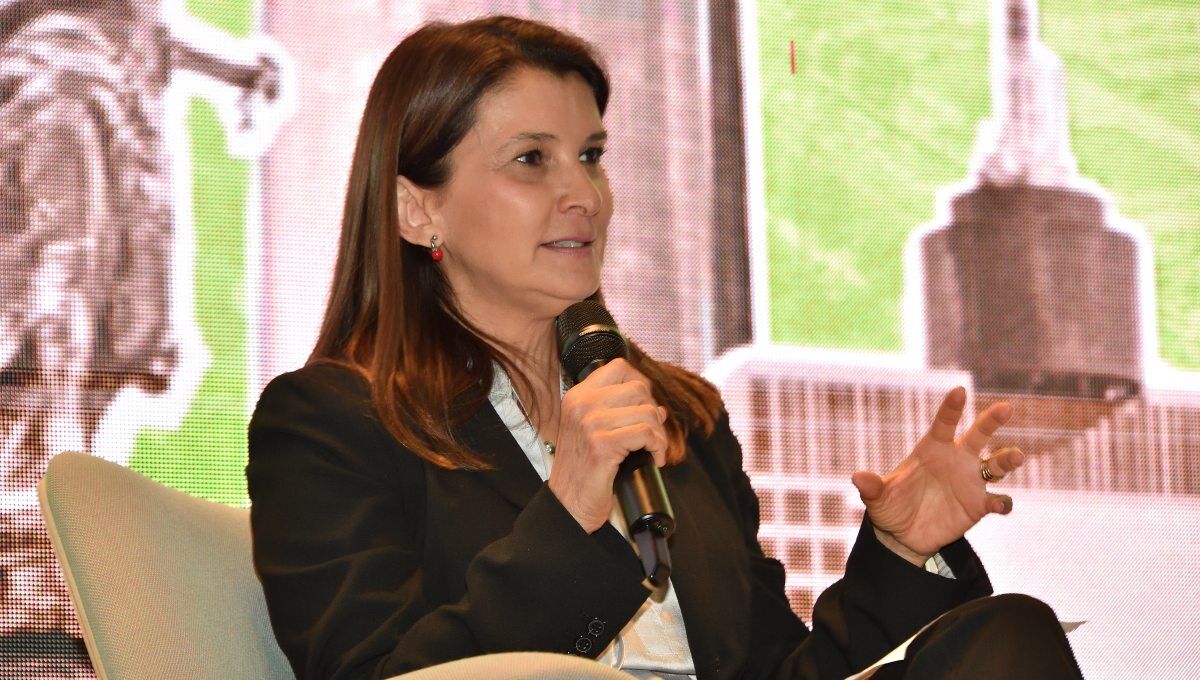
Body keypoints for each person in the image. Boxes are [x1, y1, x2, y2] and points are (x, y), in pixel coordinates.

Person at [246, 16, 1082, 680]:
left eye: (591, 156)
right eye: (531, 159)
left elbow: (771, 668)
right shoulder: (329, 423)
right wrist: (571, 507)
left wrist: (900, 553)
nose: (584, 194)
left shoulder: (677, 418)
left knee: (1007, 634)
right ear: (417, 210)